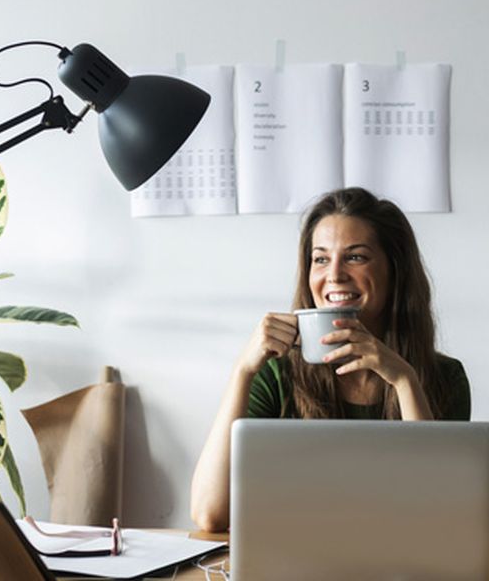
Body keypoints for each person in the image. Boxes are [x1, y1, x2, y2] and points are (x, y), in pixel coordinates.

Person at [189, 187, 471, 533]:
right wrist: (242, 371)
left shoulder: (444, 377)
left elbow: (437, 514)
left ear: (395, 271)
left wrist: (404, 381)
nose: (334, 275)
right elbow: (211, 514)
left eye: (356, 257)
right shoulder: (276, 374)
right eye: (320, 259)